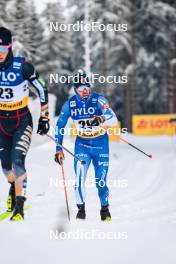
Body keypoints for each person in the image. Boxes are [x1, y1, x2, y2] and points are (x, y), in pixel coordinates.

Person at [0, 27, 50, 220]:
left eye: (2, 50)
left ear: (10, 47)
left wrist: (44, 117)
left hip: (22, 121)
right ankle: (14, 187)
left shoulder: (23, 67)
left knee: (17, 161)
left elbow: (42, 88)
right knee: (6, 168)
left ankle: (19, 207)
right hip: (2, 124)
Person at [55, 69, 118, 221]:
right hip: (82, 145)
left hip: (100, 144)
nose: (85, 90)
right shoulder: (70, 104)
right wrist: (59, 149)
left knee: (100, 181)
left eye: (87, 86)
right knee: (79, 178)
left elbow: (113, 119)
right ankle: (81, 210)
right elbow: (60, 126)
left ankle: (105, 209)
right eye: (81, 87)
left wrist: (101, 119)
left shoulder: (98, 100)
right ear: (75, 89)